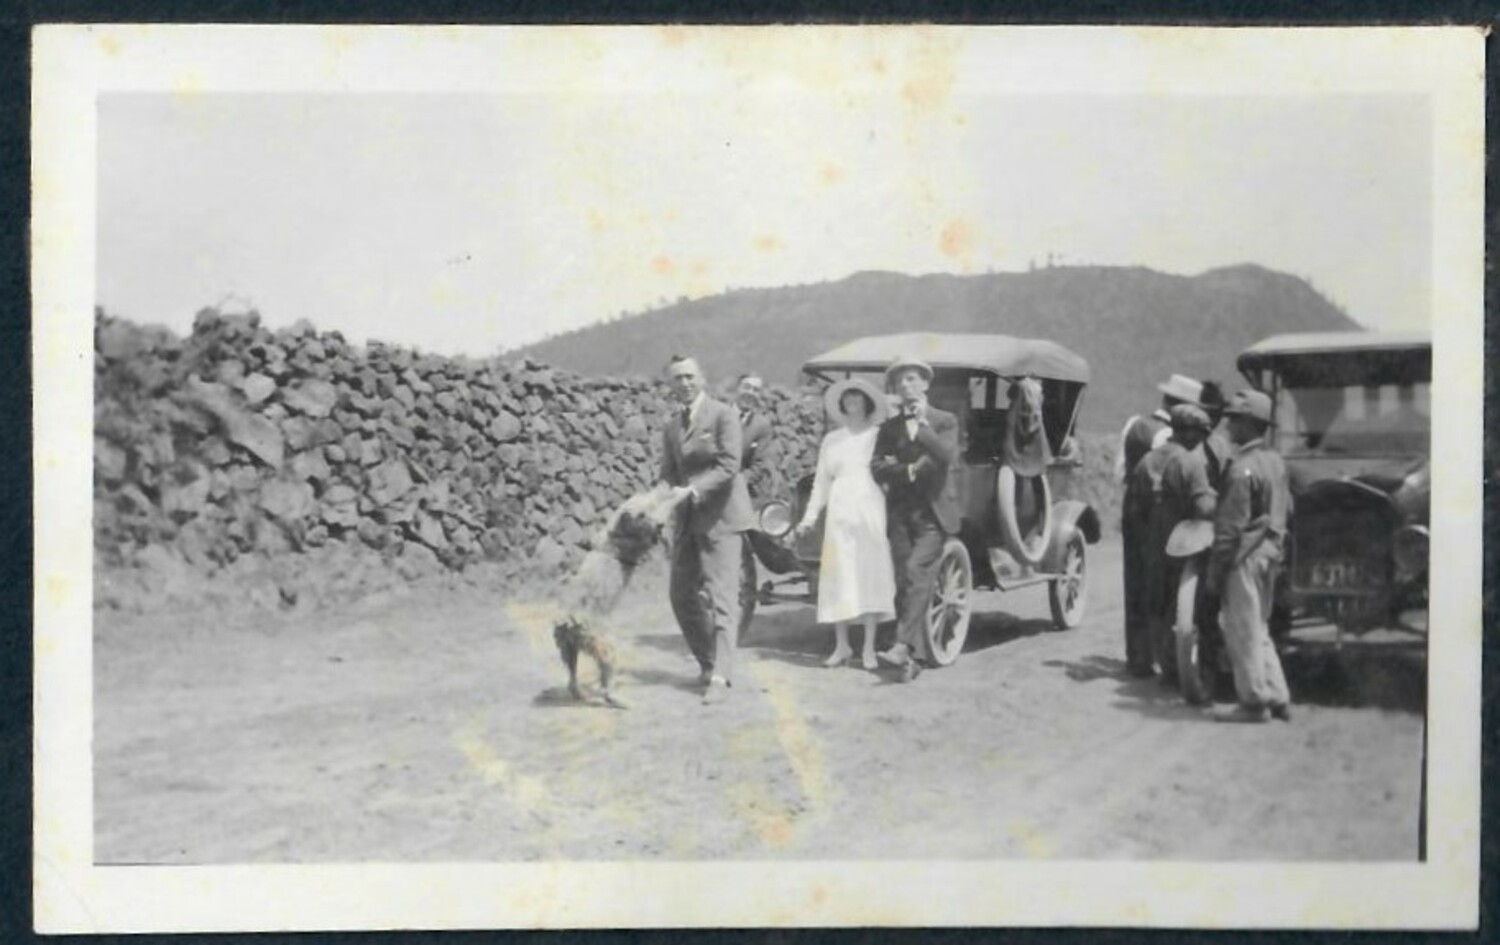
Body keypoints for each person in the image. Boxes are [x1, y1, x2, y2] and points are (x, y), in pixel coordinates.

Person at [657, 355, 755, 705]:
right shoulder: (672, 426)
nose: (684, 383)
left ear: (702, 378)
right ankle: (709, 661)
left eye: (689, 376)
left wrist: (693, 490)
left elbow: (729, 465)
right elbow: (668, 473)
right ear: (670, 384)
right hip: (687, 520)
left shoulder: (723, 414)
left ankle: (720, 677)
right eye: (677, 378)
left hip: (722, 519)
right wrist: (659, 502)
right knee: (680, 595)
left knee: (723, 599)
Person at [789, 378, 897, 670]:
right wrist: (809, 518)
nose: (852, 402)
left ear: (867, 403)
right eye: (847, 398)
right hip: (839, 510)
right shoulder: (832, 440)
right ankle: (842, 645)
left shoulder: (878, 436)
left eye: (857, 397)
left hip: (869, 506)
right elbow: (821, 483)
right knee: (840, 574)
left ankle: (869, 648)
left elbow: (890, 470)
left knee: (869, 574)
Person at [870, 357, 961, 683]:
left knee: (915, 570)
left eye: (911, 379)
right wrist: (908, 469)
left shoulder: (945, 421)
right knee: (904, 579)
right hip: (899, 512)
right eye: (900, 381)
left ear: (925, 384)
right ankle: (913, 657)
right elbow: (877, 467)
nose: (905, 385)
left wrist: (922, 427)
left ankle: (901, 645)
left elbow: (945, 457)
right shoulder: (889, 428)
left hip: (933, 513)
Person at [1207, 389, 1293, 724]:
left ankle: (1254, 703)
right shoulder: (1275, 463)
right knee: (1259, 627)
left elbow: (1230, 529)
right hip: (1270, 553)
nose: (1229, 426)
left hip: (1245, 557)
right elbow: (1287, 509)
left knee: (1242, 630)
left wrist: (1216, 572)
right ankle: (1278, 695)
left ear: (1249, 424)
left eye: (1235, 420)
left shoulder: (1241, 469)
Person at [1119, 373, 1204, 677]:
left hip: (1133, 507)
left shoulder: (1134, 425)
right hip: (1162, 514)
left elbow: (1121, 472)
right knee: (1165, 586)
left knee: (1135, 582)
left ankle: (1138, 657)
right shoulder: (1170, 437)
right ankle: (1165, 657)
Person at [1147, 404, 1218, 690]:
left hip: (1157, 542)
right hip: (1186, 543)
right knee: (1187, 605)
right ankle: (1180, 666)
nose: (1201, 439)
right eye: (1200, 433)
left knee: (1161, 603)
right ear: (1190, 433)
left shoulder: (1156, 459)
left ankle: (1163, 665)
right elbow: (1202, 507)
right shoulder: (1190, 462)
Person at [734, 373, 784, 501]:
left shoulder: (762, 425)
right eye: (746, 387)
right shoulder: (719, 415)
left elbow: (759, 463)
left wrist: (739, 482)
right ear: (737, 388)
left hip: (740, 489)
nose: (750, 393)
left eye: (756, 390)